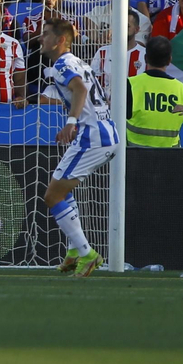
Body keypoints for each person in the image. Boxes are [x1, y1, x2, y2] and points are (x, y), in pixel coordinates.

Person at [39, 16, 115, 276]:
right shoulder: (78, 61)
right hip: (104, 132)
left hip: (91, 137)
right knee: (63, 190)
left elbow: (81, 90)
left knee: (52, 196)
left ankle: (87, 253)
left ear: (60, 40)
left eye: (46, 34)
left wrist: (71, 122)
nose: (41, 38)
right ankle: (74, 251)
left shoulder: (62, 64)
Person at [125, 35, 183, 146]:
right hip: (170, 158)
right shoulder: (182, 89)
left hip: (134, 156)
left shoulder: (130, 84)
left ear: (145, 58)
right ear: (169, 60)